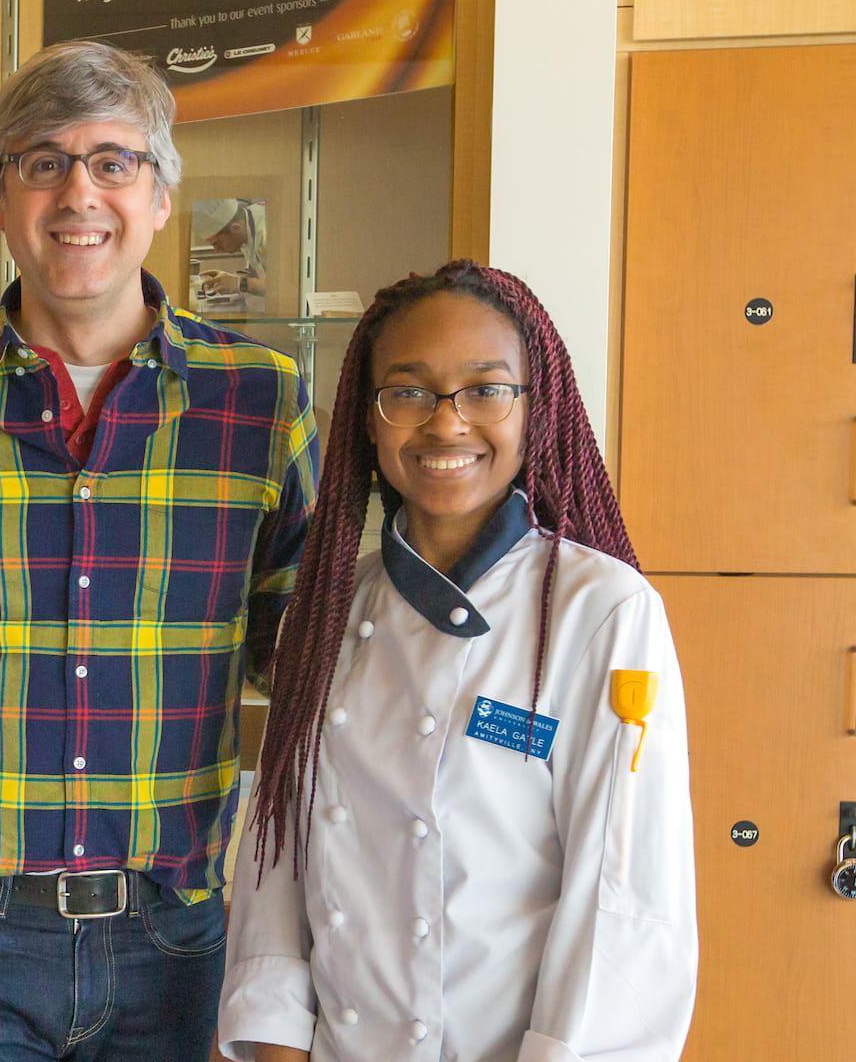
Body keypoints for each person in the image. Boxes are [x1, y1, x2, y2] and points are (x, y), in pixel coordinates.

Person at [0, 41, 317, 1061]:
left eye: (113, 161)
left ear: (162, 196)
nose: (76, 192)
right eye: (41, 161)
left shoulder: (263, 404)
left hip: (176, 931)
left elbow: (310, 666)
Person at [217, 261, 697, 1061]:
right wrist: (273, 1042)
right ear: (368, 422)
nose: (446, 424)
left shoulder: (600, 610)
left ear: (533, 413)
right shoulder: (328, 608)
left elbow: (624, 897)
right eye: (407, 391)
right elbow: (279, 860)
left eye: (485, 389)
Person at [199, 197, 265, 308]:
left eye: (218, 243)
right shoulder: (246, 227)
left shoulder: (268, 230)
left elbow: (286, 287)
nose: (217, 249)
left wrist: (241, 284)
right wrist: (229, 277)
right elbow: (258, 269)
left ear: (236, 228)